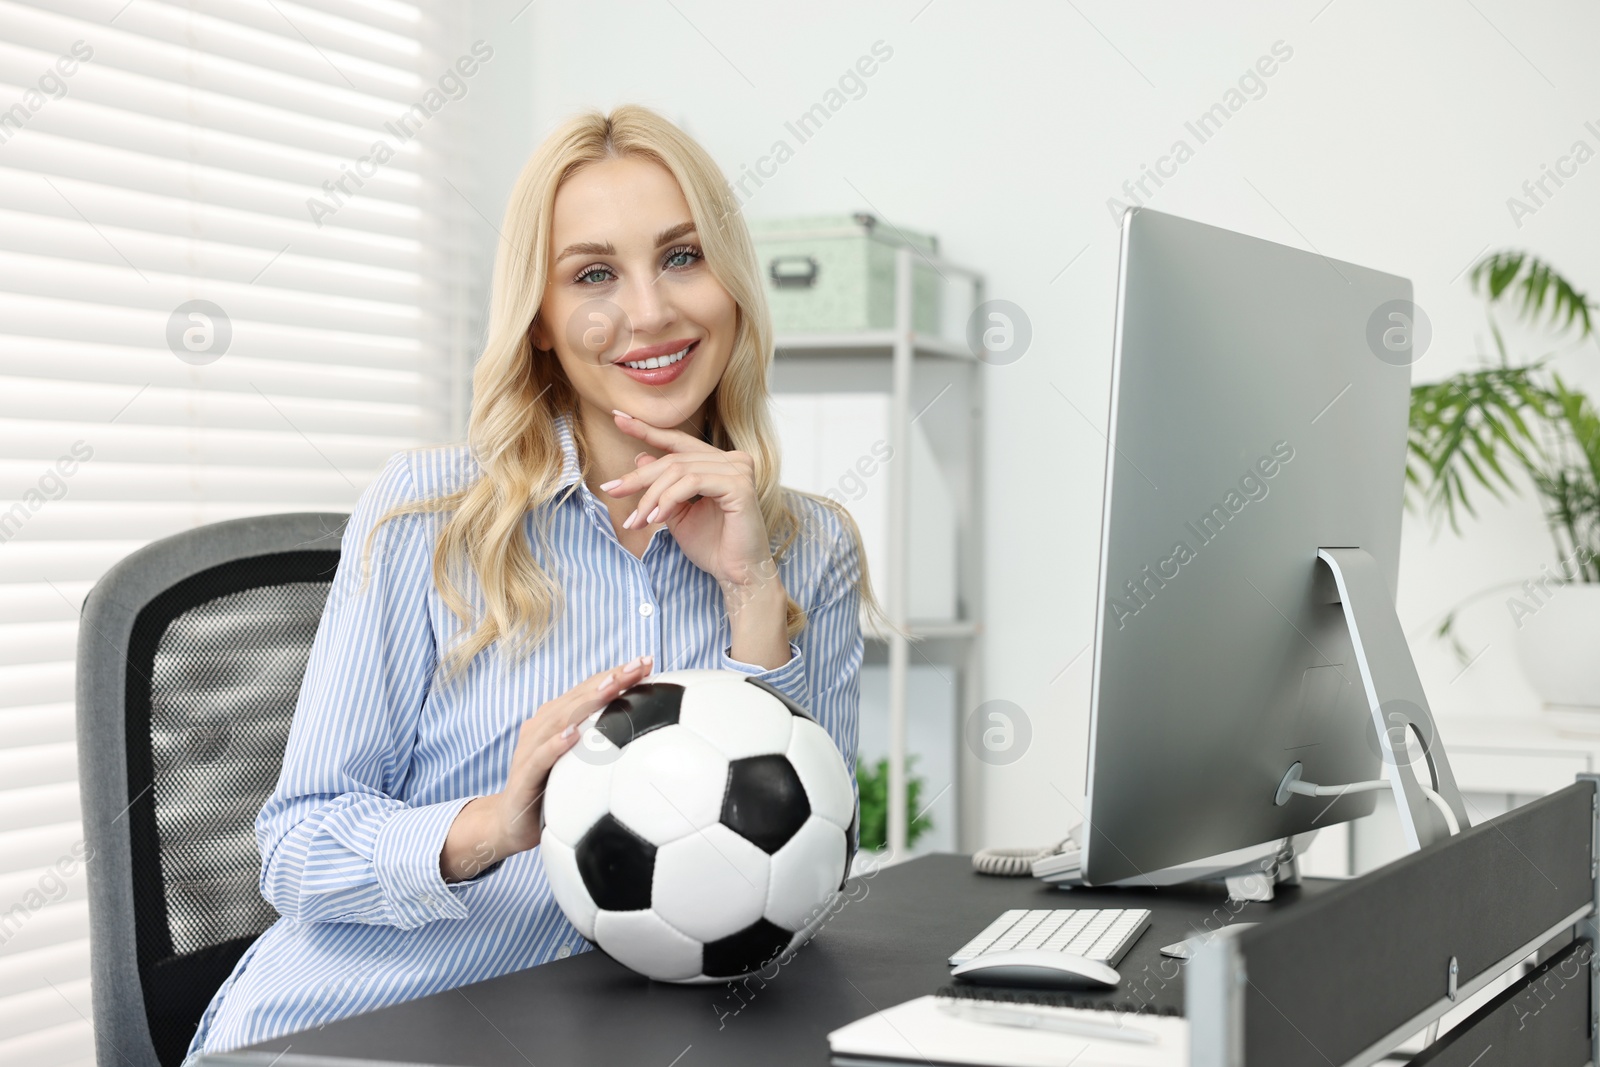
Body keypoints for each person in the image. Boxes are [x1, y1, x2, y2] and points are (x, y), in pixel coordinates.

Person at [184, 103, 879, 1059]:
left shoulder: (809, 546)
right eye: (594, 274)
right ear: (542, 323)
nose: (650, 312)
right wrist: (491, 826)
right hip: (360, 1027)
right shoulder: (426, 517)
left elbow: (805, 884)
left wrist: (752, 592)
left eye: (682, 256)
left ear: (732, 284)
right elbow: (296, 848)